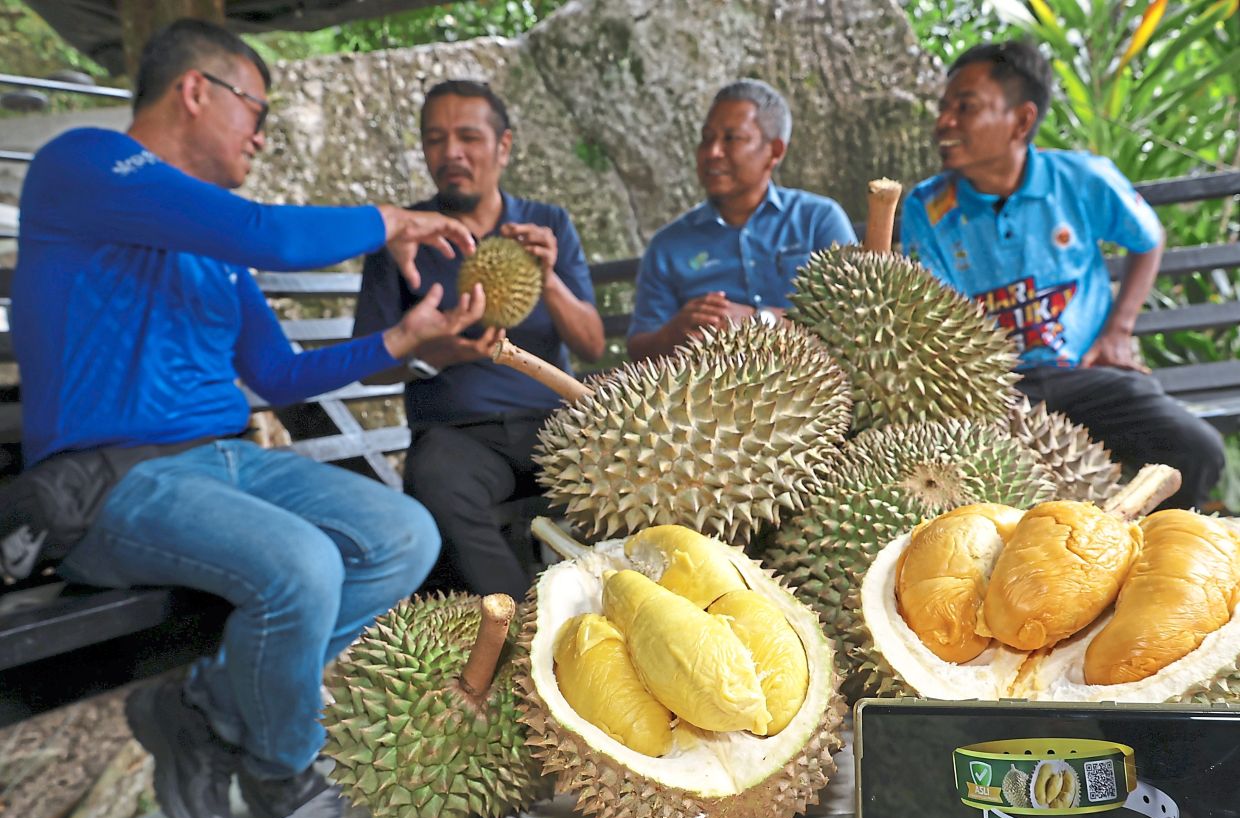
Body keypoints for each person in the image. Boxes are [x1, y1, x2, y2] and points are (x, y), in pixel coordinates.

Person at [12, 19, 487, 818]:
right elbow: (264, 231)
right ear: (197, 91)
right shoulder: (82, 164)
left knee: (406, 535)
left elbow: (275, 375)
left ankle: (205, 711)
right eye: (255, 110)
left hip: (230, 462)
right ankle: (283, 771)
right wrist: (390, 219)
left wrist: (401, 341)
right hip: (113, 484)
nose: (261, 137)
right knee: (301, 567)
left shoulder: (214, 246)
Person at [901, 39, 1224, 510]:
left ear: (1022, 121)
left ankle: (1152, 557)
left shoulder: (1080, 179)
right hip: (997, 392)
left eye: (965, 108)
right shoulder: (928, 208)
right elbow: (928, 313)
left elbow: (1147, 237)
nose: (943, 123)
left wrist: (1119, 329)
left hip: (1088, 375)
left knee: (1196, 450)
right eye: (944, 107)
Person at [353, 80, 604, 601]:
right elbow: (372, 365)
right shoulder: (404, 238)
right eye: (435, 140)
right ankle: (519, 633)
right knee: (436, 483)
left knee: (631, 470)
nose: (451, 154)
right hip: (458, 434)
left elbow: (593, 346)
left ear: (503, 146)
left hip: (555, 427)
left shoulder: (547, 223)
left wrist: (548, 276)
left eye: (468, 137)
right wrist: (429, 356)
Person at [626, 79, 856, 360]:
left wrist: (758, 321)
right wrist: (674, 332)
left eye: (731, 139)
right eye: (707, 138)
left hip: (817, 391)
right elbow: (638, 350)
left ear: (774, 151)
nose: (713, 153)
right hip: (711, 397)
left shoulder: (818, 220)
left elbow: (855, 321)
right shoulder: (667, 246)